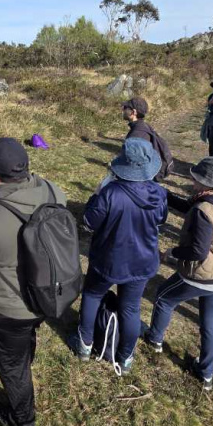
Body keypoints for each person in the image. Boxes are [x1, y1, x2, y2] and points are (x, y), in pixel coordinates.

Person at [0, 138, 67, 426]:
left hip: (8, 309)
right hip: (48, 295)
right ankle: (26, 354)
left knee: (13, 368)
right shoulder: (54, 191)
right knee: (27, 335)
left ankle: (23, 421)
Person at [143, 157, 213, 391]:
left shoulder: (204, 210)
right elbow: (190, 207)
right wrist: (164, 193)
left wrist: (171, 253)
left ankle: (154, 339)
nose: (192, 180)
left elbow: (196, 252)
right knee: (210, 322)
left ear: (206, 182)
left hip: (203, 275)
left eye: (196, 177)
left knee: (163, 297)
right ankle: (206, 374)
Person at [68, 137, 168, 374]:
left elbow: (89, 222)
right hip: (142, 260)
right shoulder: (160, 193)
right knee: (130, 307)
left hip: (108, 259)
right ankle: (125, 358)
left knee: (92, 295)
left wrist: (95, 195)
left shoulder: (110, 193)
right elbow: (161, 221)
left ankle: (85, 344)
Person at [123, 97, 173, 179]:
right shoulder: (143, 126)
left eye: (126, 108)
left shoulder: (137, 134)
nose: (123, 110)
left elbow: (135, 164)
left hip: (145, 176)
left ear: (134, 112)